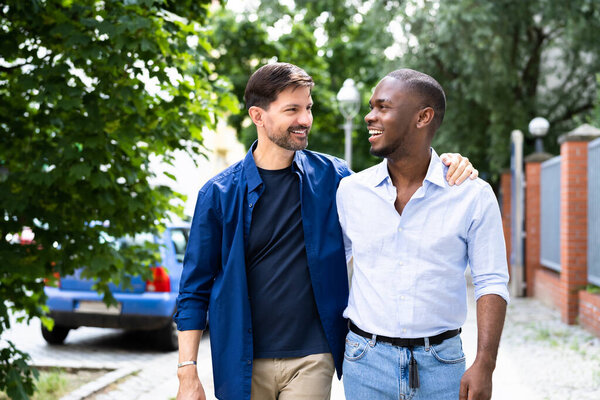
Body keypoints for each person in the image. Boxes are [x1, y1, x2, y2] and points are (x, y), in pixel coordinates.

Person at [174, 63, 477, 400]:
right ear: (258, 116)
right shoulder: (218, 194)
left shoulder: (335, 178)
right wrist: (188, 372)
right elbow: (194, 288)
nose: (305, 119)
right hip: (241, 359)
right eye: (292, 109)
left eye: (308, 108)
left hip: (313, 356)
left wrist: (444, 162)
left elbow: (393, 181)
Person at [336, 69, 509, 400]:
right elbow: (328, 268)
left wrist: (485, 364)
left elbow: (491, 281)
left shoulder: (472, 194)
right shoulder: (350, 191)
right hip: (365, 362)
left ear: (423, 117)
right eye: (371, 106)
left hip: (443, 366)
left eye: (382, 107)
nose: (369, 116)